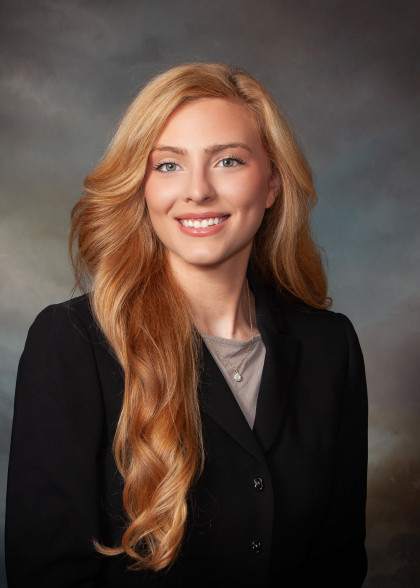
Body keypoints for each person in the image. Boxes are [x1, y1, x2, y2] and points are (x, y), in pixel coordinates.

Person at [6, 63, 368, 587]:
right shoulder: (72, 342)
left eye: (227, 160)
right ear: (142, 186)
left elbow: (339, 564)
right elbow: (48, 573)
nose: (197, 191)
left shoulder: (331, 346)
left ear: (272, 183)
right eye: (169, 165)